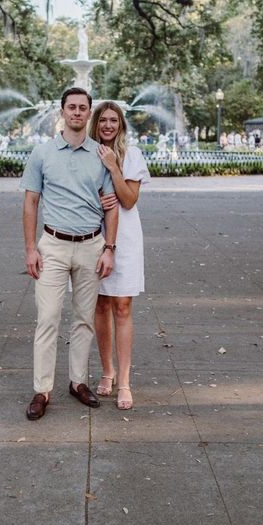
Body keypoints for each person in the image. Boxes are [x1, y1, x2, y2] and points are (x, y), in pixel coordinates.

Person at [20, 87, 119, 420]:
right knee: (47, 319)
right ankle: (42, 390)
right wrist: (31, 248)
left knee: (83, 320)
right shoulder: (42, 154)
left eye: (82, 108)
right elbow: (31, 202)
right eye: (71, 107)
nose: (77, 112)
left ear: (88, 113)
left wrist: (109, 248)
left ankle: (78, 382)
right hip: (53, 246)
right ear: (61, 112)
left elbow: (112, 205)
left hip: (91, 246)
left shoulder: (102, 155)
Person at [89, 101, 150, 410]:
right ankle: (107, 371)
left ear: (121, 125)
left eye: (114, 120)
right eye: (103, 120)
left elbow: (128, 201)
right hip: (91, 234)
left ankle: (124, 381)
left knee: (122, 306)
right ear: (95, 123)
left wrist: (113, 166)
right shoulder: (86, 153)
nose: (108, 125)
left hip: (124, 237)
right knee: (99, 304)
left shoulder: (132, 155)